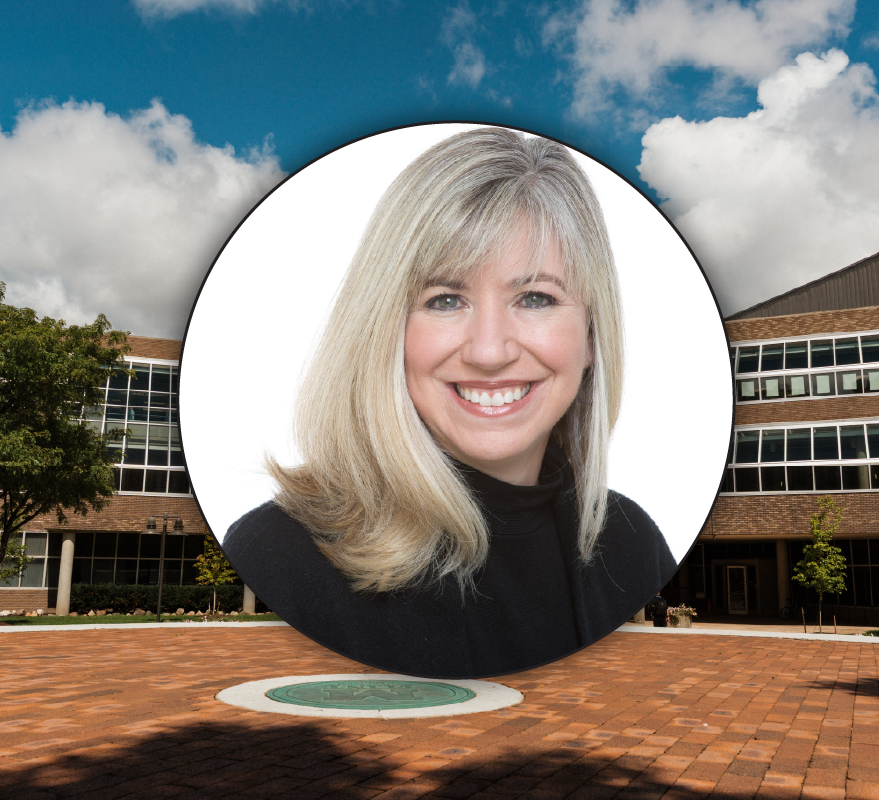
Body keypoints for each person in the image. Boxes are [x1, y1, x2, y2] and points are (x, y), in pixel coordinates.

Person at [223, 127, 676, 679]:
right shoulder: (281, 555)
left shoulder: (634, 546)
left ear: (590, 337)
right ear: (384, 332)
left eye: (536, 298)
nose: (489, 351)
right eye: (444, 299)